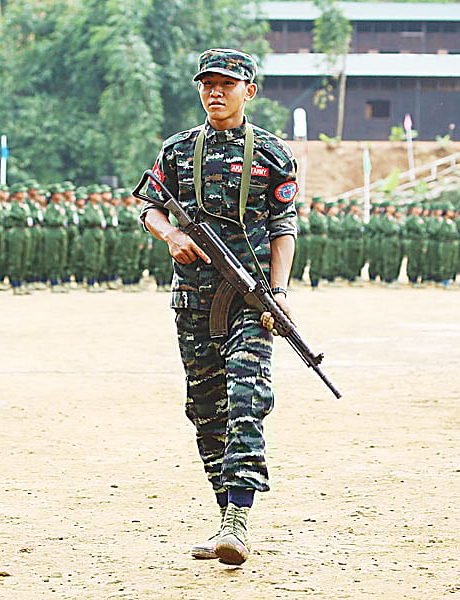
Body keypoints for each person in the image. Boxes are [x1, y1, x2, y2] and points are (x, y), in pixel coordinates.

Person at [141, 49, 298, 566]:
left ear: (248, 91)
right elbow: (148, 205)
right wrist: (170, 235)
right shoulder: (178, 149)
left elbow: (282, 228)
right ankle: (224, 515)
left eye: (226, 84)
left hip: (249, 299)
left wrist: (277, 292)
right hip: (193, 299)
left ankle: (238, 521)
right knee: (206, 410)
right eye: (207, 84)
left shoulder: (273, 154)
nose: (214, 92)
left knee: (248, 396)